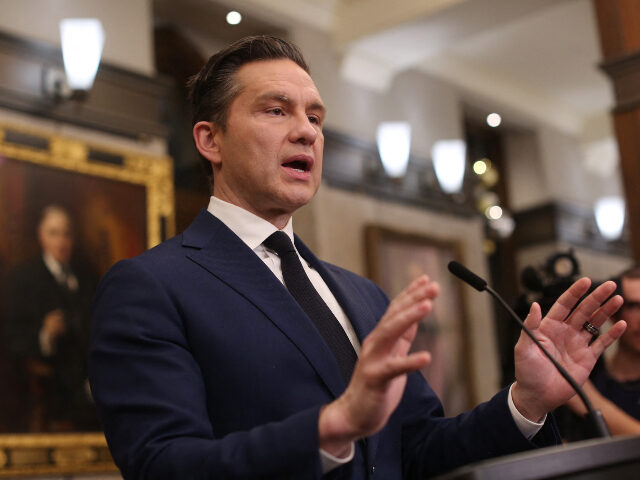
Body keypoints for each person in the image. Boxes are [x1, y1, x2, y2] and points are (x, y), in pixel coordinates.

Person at [89, 36, 626, 479]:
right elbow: (163, 465)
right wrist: (332, 427)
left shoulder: (362, 294)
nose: (307, 131)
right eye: (276, 110)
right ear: (210, 140)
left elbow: (416, 450)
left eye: (316, 118)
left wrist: (527, 402)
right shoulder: (151, 286)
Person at [4, 205, 98, 431]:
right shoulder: (23, 277)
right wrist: (45, 334)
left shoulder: (86, 276)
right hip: (52, 382)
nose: (61, 241)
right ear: (41, 235)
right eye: (53, 233)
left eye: (67, 233)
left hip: (89, 374)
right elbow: (10, 336)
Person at [564, 266, 640, 435]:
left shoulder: (584, 387)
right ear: (614, 313)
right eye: (633, 306)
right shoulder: (591, 376)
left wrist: (587, 398)